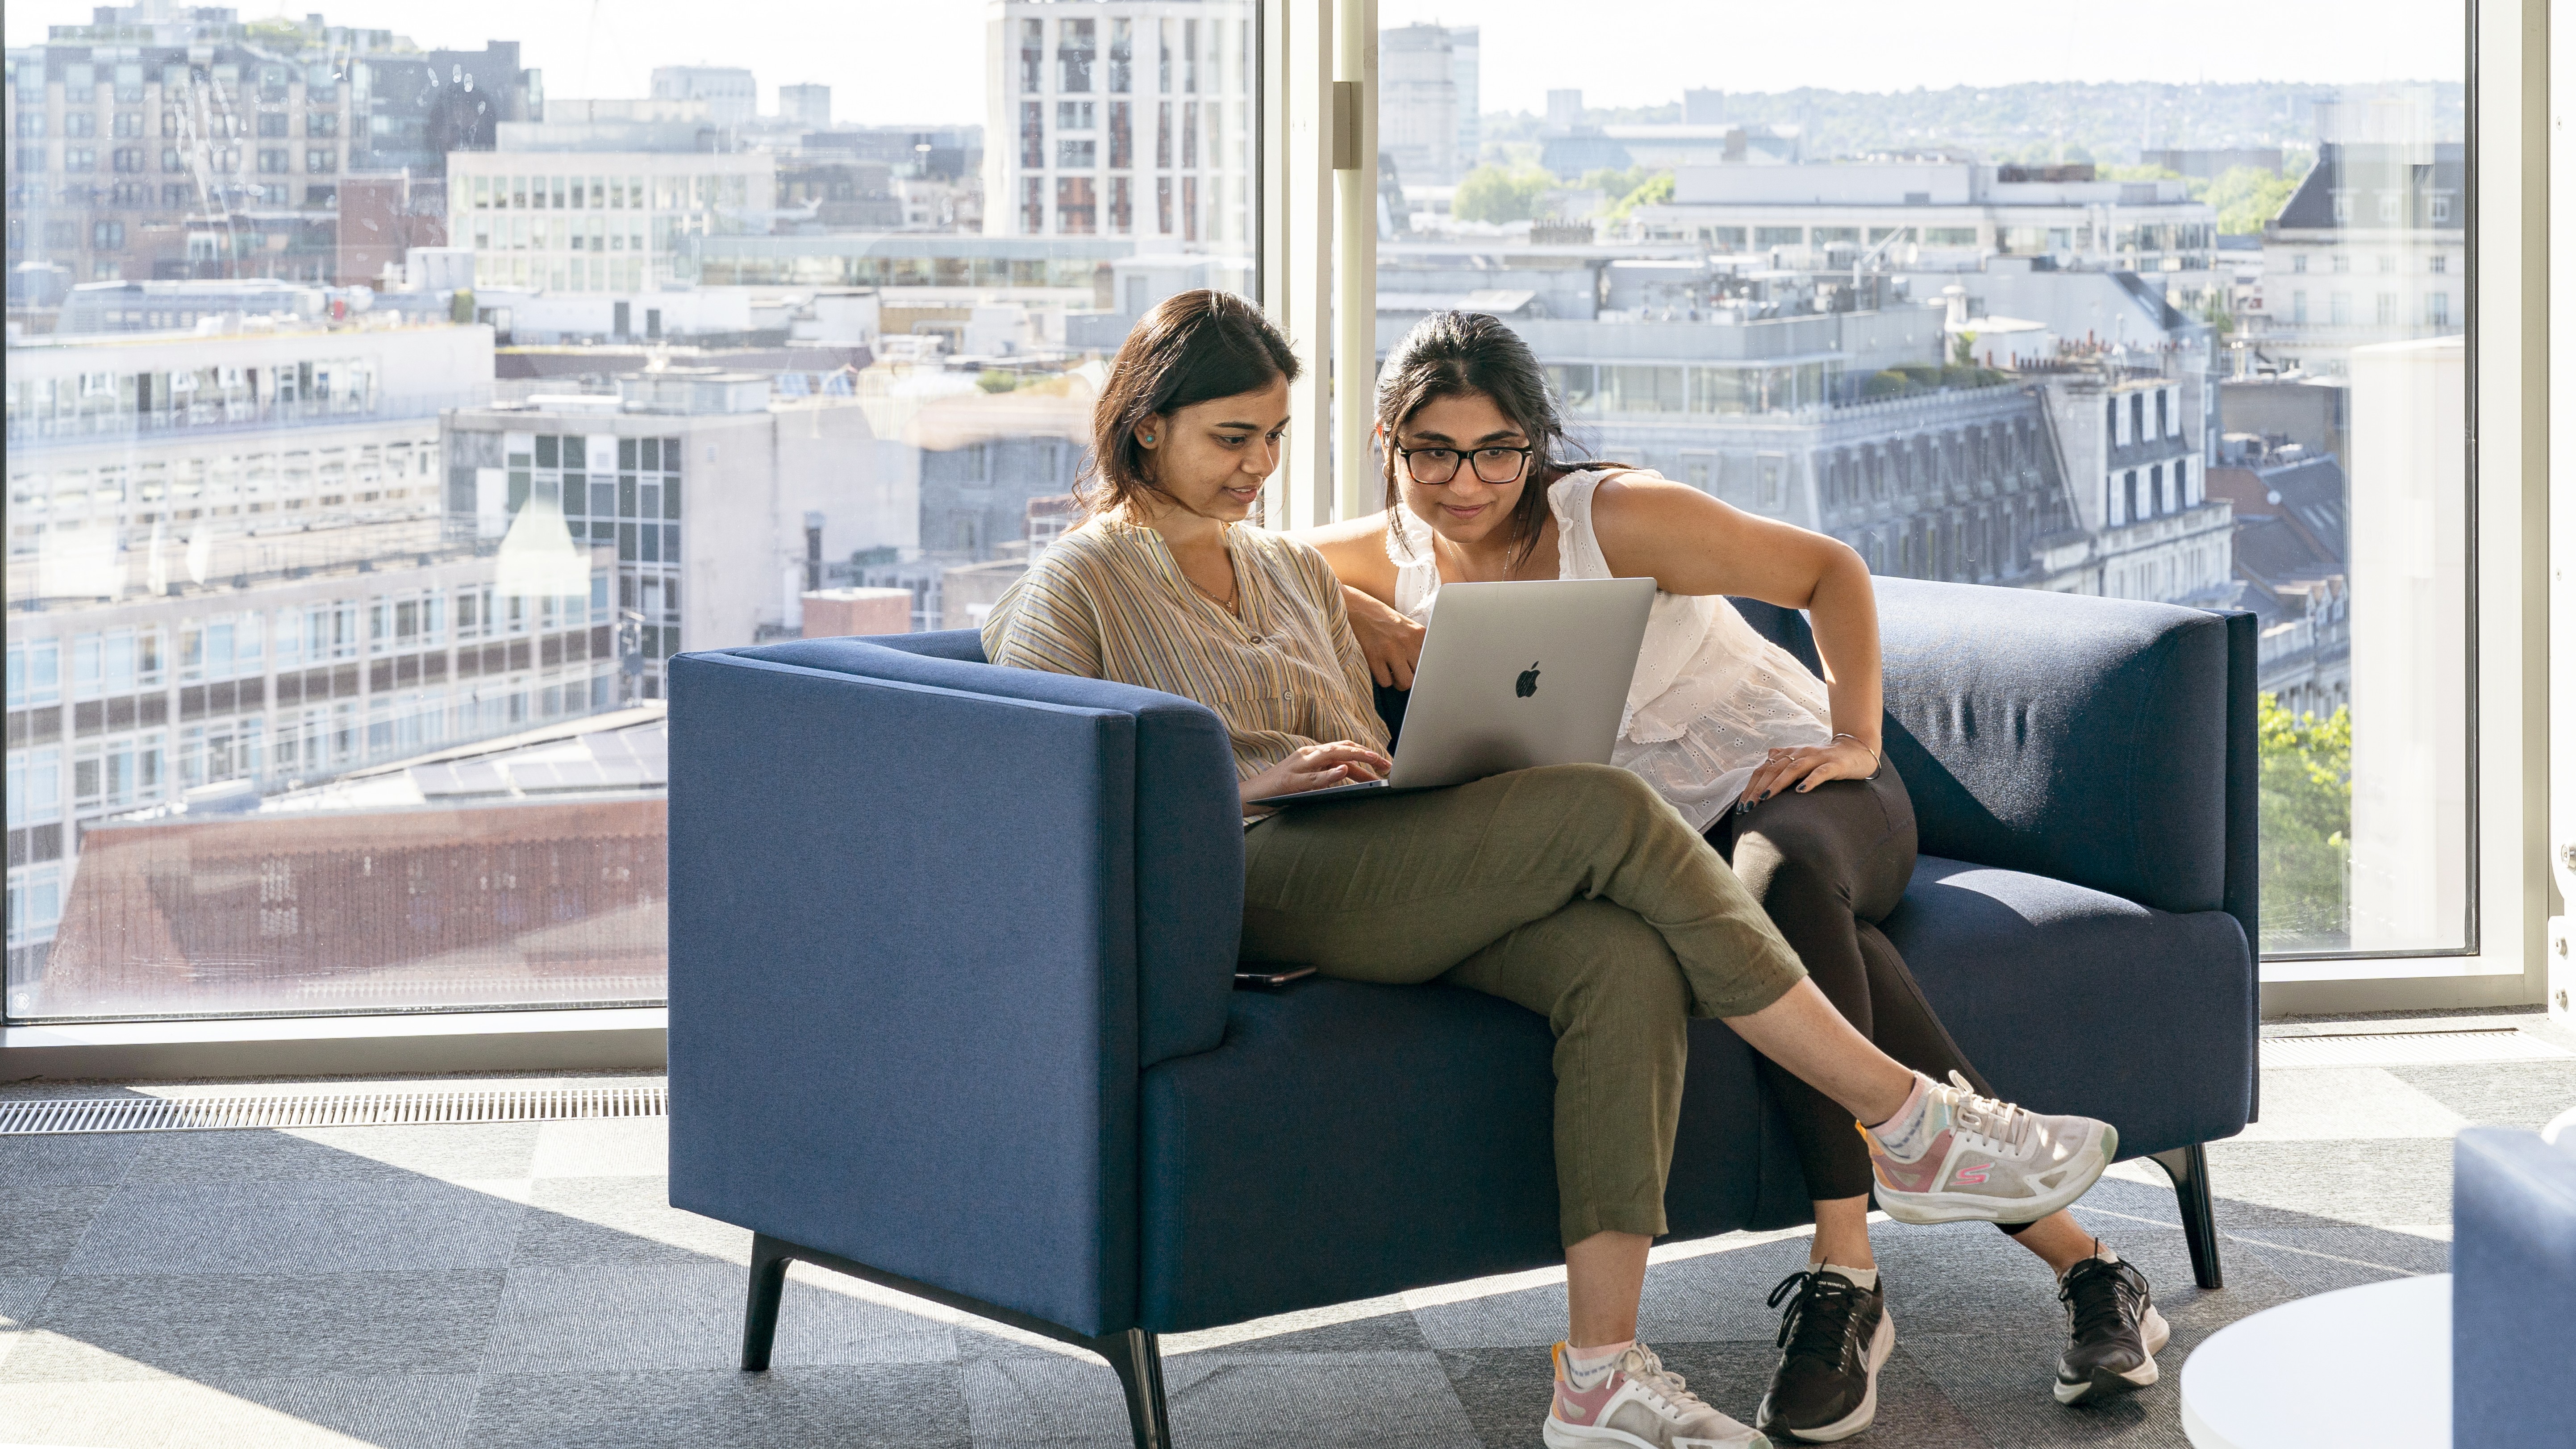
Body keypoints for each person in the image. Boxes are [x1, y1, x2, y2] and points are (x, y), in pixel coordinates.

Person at [982, 291, 2118, 1449]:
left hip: (1369, 849)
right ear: (1145, 428)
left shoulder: (1287, 568)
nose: (1260, 464)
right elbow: (1035, 778)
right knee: (1604, 806)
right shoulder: (1078, 580)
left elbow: (1366, 689)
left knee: (1620, 960)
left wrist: (1387, 696)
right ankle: (1909, 1118)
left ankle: (1599, 1376)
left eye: (1273, 435)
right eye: (1232, 437)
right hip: (1248, 869)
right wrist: (1246, 782)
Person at [1294, 309, 2166, 1440]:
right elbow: (1236, 560)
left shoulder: (1616, 516)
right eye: (1432, 454)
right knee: (1810, 948)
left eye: (1496, 452)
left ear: (1534, 443)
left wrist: (1855, 737)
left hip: (1803, 792)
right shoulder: (1384, 553)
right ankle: (2091, 1268)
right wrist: (1357, 605)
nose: (1465, 483)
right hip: (1664, 849)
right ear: (1388, 443)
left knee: (1777, 890)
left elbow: (1826, 571)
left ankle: (1843, 1274)